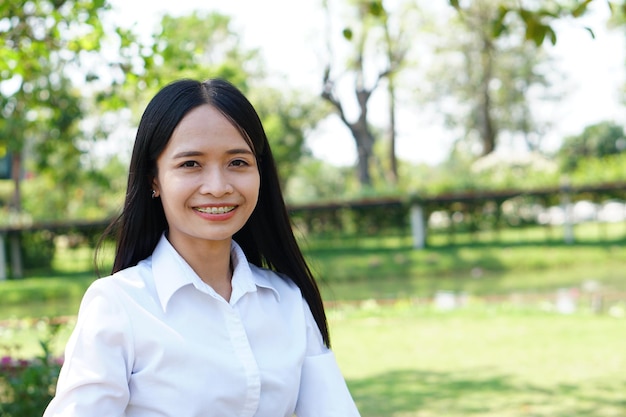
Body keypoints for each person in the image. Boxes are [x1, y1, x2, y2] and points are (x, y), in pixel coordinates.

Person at [43, 78, 361, 417]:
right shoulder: (119, 305)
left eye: (237, 162)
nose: (218, 187)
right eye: (190, 164)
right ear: (154, 179)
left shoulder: (286, 301)